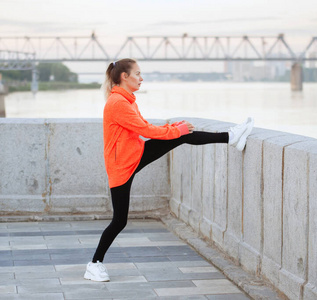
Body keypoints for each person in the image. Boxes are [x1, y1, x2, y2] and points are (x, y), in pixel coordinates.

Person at [84, 58, 254, 282]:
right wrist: (176, 130)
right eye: (137, 74)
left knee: (181, 136)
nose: (141, 78)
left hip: (133, 155)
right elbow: (146, 129)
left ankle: (231, 137)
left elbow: (144, 126)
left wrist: (175, 129)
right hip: (122, 164)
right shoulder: (118, 103)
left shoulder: (126, 100)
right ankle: (94, 264)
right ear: (124, 77)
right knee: (119, 220)